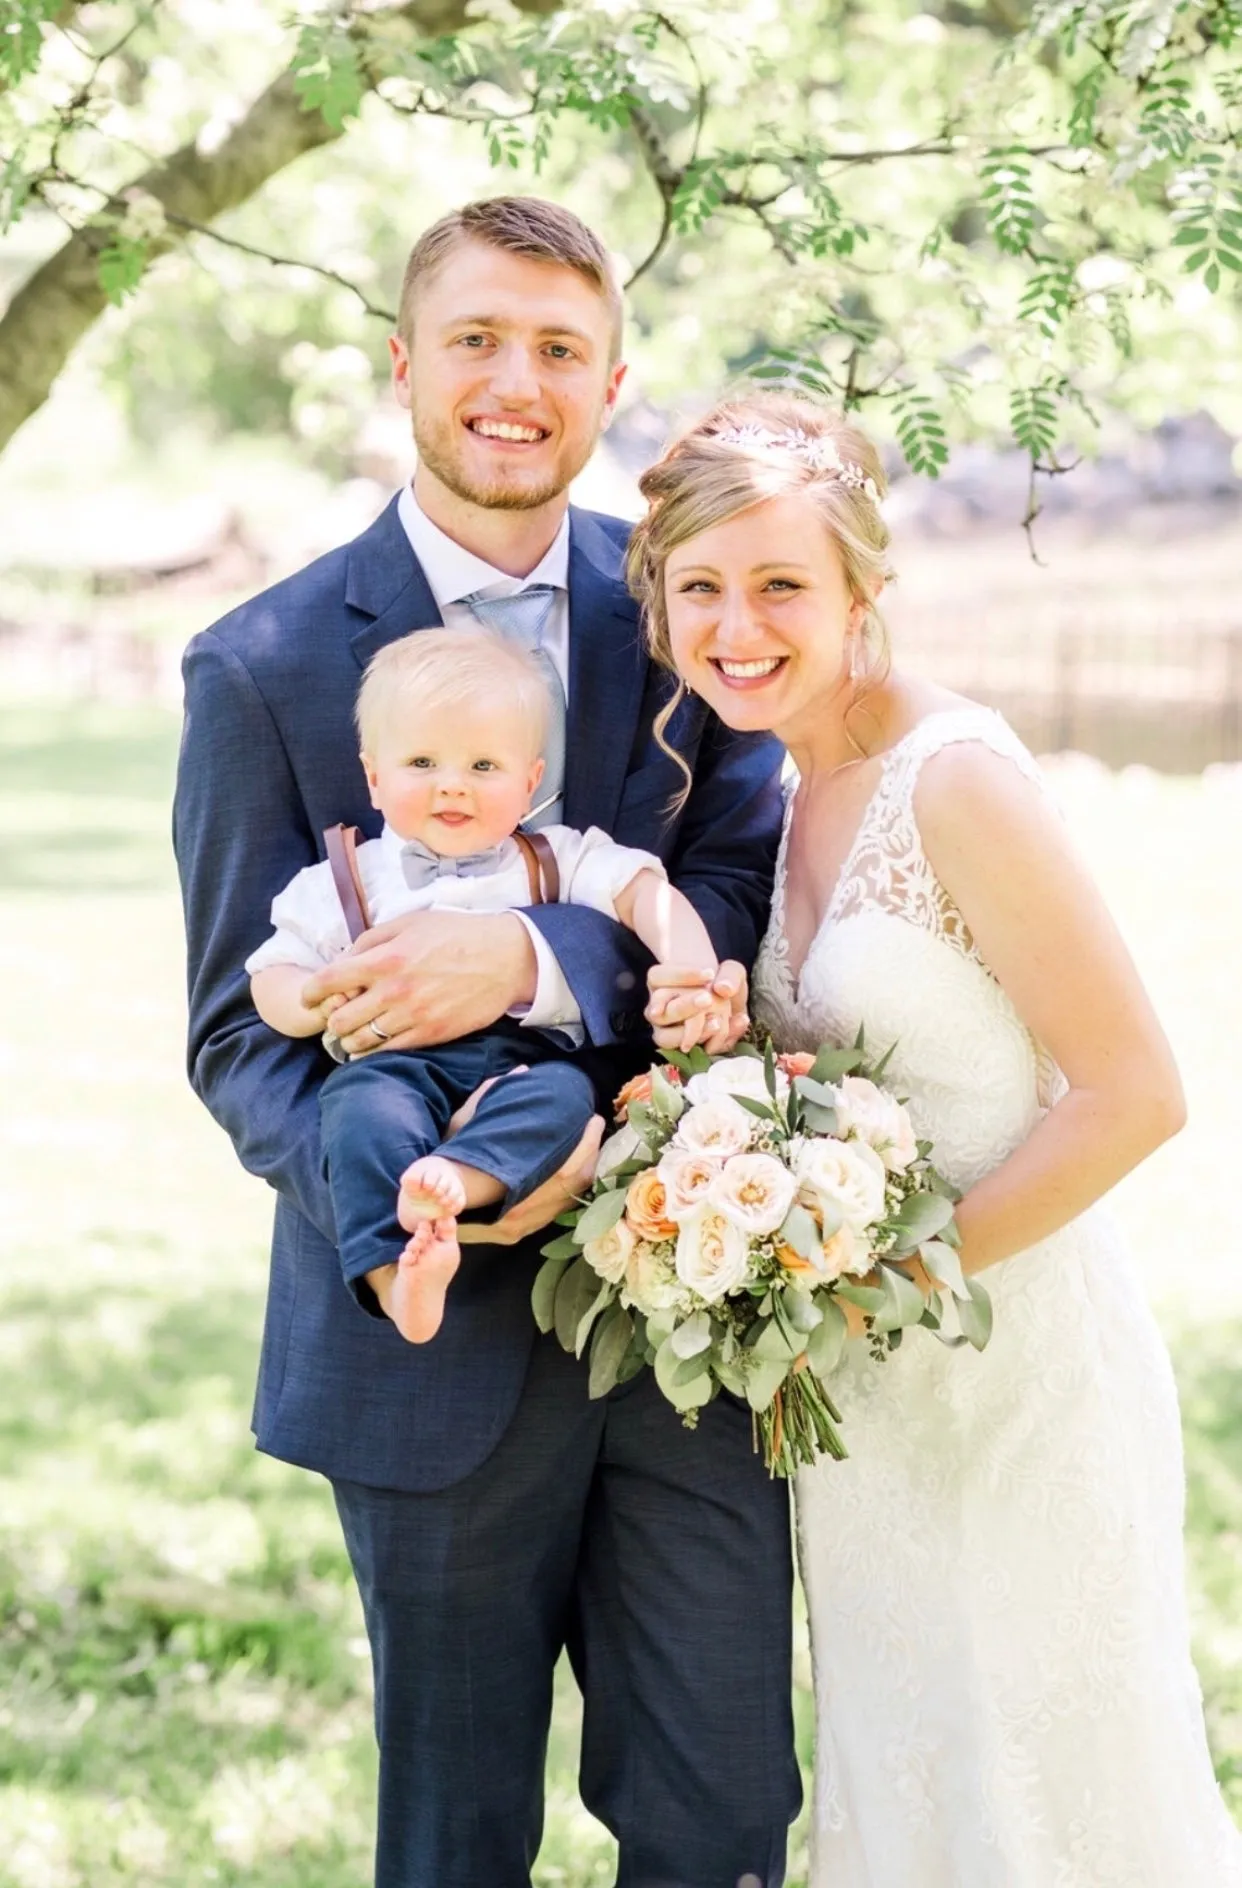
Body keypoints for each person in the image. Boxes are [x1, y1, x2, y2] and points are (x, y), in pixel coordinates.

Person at [173, 197, 801, 1886]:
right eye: (474, 340)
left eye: (556, 349)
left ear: (611, 384)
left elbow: (742, 886)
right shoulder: (263, 664)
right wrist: (415, 1184)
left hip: (690, 1313)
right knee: (453, 1842)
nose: (512, 383)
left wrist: (527, 953)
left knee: (725, 1813)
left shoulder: (696, 615)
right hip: (422, 1362)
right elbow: (238, 1030)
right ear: (402, 366)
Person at [628, 389, 1242, 1887]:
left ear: (862, 594)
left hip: (1015, 1373)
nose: (736, 625)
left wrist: (891, 1280)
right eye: (699, 588)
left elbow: (1134, 1093)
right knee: (912, 1779)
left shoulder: (951, 781)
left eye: (780, 585)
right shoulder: (779, 781)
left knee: (1044, 1785)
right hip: (868, 1419)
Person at [246, 623, 737, 1344]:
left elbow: (642, 891)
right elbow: (270, 972)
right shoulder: (345, 879)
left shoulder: (552, 857)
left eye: (483, 765)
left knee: (565, 1099)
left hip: (522, 1064)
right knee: (356, 1111)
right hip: (394, 1067)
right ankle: (399, 1280)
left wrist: (687, 968)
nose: (452, 783)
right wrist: (310, 996)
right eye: (421, 761)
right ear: (374, 775)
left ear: (530, 782)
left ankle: (458, 1177)